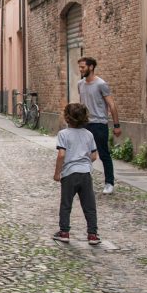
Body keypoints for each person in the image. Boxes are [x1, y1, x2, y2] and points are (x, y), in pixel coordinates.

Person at [52, 103, 100, 244]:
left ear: (67, 118)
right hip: (85, 173)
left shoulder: (63, 134)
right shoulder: (89, 134)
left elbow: (61, 155)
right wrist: (84, 161)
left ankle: (64, 232)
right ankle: (92, 234)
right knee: (89, 205)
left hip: (69, 174)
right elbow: (94, 156)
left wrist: (57, 173)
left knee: (66, 204)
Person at [77, 57, 121, 194]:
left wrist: (116, 125)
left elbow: (111, 105)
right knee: (83, 154)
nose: (80, 69)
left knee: (103, 154)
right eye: (79, 67)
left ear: (91, 67)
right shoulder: (80, 84)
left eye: (83, 67)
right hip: (85, 124)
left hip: (99, 124)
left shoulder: (101, 84)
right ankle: (84, 182)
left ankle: (109, 183)